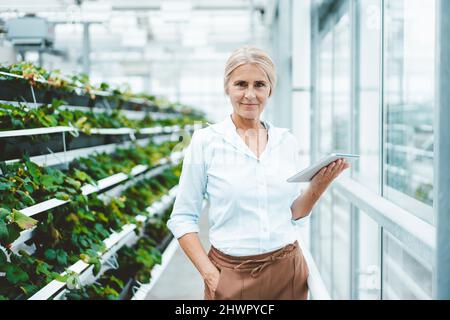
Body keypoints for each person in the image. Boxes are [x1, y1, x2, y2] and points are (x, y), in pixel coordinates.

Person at [167, 45, 350, 300]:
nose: (250, 94)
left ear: (270, 89)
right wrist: (211, 276)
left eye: (259, 85)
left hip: (288, 272)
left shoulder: (286, 142)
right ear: (227, 88)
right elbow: (182, 218)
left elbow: (293, 214)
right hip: (231, 275)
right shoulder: (205, 142)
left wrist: (319, 186)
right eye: (241, 84)